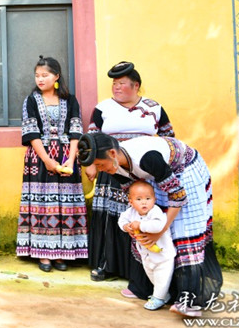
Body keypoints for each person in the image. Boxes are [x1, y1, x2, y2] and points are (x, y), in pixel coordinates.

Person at [78, 132, 223, 318]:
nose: (99, 170)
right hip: (158, 175)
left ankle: (189, 301)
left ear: (112, 154)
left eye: (99, 165)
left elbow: (178, 196)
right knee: (146, 225)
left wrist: (160, 230)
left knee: (184, 231)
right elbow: (136, 205)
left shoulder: (146, 158)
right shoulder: (115, 167)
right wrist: (132, 227)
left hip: (185, 172)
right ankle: (148, 288)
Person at [85, 61, 175, 289]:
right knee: (111, 217)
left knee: (142, 215)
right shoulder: (103, 108)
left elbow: (169, 137)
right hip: (112, 168)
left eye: (122, 83)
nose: (116, 87)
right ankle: (106, 264)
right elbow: (92, 138)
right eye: (114, 84)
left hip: (145, 170)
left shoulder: (153, 107)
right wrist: (92, 164)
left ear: (136, 86)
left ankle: (139, 269)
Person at [16, 56, 87, 272]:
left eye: (45, 75)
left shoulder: (70, 100)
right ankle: (43, 253)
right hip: (39, 157)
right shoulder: (31, 100)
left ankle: (63, 252)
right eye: (37, 75)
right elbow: (31, 132)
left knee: (66, 203)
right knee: (42, 203)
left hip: (67, 154)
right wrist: (47, 160)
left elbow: (76, 130)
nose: (40, 79)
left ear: (56, 76)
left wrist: (71, 159)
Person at [118, 181, 176, 311]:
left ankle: (158, 298)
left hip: (163, 255)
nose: (144, 202)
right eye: (139, 199)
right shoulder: (131, 212)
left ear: (154, 199)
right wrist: (126, 226)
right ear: (131, 201)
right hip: (146, 254)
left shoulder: (155, 212)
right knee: (152, 275)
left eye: (148, 199)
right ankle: (164, 295)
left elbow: (158, 226)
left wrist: (140, 225)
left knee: (162, 277)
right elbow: (121, 219)